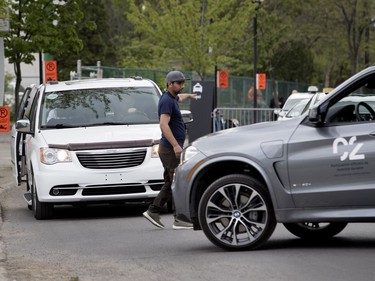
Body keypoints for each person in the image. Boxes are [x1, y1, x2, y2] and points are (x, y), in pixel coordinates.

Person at [143, 70, 197, 230]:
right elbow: (163, 124)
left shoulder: (172, 98)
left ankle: (153, 211)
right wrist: (175, 145)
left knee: (170, 181)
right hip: (168, 149)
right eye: (179, 83)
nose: (182, 85)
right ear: (169, 84)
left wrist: (189, 95)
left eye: (182, 82)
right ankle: (178, 219)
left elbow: (179, 97)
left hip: (168, 149)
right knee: (175, 182)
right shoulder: (166, 101)